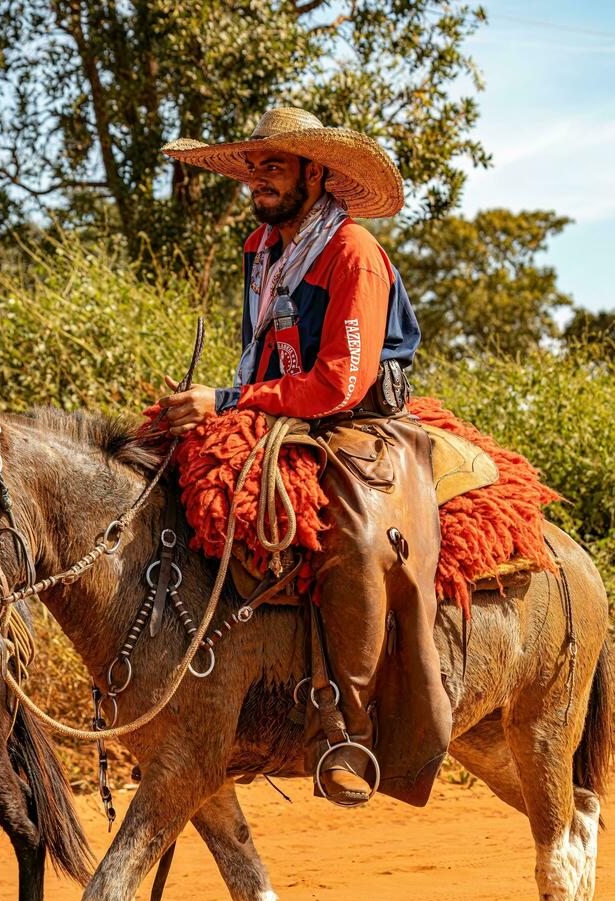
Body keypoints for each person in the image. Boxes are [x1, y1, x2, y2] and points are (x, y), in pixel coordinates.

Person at [160, 107, 452, 807]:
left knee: (350, 534)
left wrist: (229, 401)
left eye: (275, 166)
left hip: (358, 421)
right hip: (277, 410)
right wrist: (213, 405)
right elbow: (260, 353)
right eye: (253, 166)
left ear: (316, 174)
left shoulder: (351, 253)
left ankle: (346, 727)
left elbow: (338, 383)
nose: (258, 180)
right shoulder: (259, 251)